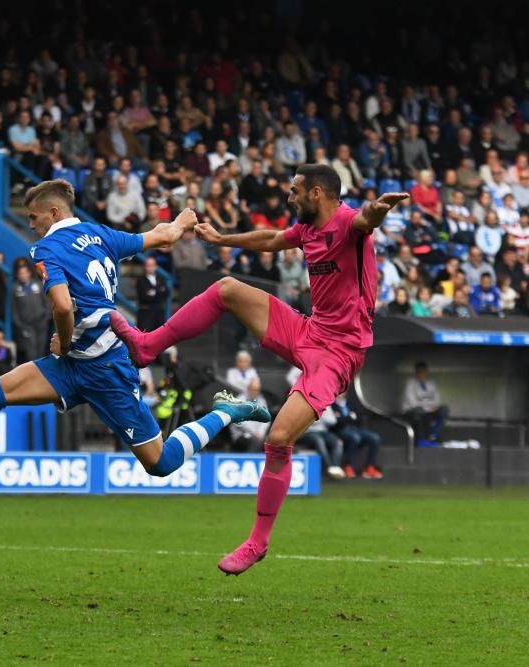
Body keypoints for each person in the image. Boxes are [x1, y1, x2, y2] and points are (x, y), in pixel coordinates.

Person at [0, 179, 268, 518]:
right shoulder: (101, 234)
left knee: (160, 462)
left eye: (33, 218)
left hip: (106, 367)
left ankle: (224, 412)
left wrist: (63, 344)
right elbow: (163, 237)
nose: (30, 225)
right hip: (77, 361)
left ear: (52, 212)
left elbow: (63, 305)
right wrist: (186, 217)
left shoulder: (46, 250)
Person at [108, 164, 410, 575]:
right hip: (309, 331)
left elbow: (365, 219)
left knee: (280, 435)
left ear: (317, 193)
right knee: (227, 289)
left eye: (295, 190)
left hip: (340, 353)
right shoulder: (307, 230)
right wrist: (222, 239)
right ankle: (148, 344)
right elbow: (271, 239)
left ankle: (258, 542)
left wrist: (379, 209)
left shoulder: (348, 222)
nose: (289, 197)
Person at [331, 393, 382, 479]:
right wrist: (349, 417)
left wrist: (344, 418)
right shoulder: (332, 405)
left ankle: (369, 467)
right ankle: (348, 466)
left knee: (375, 438)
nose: (341, 393)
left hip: (355, 429)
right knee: (354, 438)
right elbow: (336, 422)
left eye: (343, 391)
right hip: (340, 430)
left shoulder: (351, 404)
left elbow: (358, 418)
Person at [402, 361, 450, 447]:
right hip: (413, 412)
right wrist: (428, 406)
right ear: (416, 372)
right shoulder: (410, 383)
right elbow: (413, 403)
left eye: (423, 372)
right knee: (419, 411)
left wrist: (426, 404)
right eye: (419, 372)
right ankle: (422, 441)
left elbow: (437, 401)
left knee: (444, 410)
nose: (421, 374)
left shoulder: (431, 383)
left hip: (428, 411)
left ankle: (432, 436)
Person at [11, 262, 49, 364]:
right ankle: (34, 375)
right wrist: (21, 327)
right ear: (18, 275)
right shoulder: (15, 289)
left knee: (42, 351)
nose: (23, 275)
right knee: (31, 354)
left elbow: (46, 303)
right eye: (20, 273)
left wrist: (46, 318)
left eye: (25, 272)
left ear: (29, 273)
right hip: (27, 326)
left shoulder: (38, 284)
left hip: (41, 323)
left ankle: (42, 377)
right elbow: (14, 311)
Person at [136, 256, 169, 333]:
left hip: (159, 314)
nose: (151, 268)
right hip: (146, 315)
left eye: (152, 265)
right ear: (145, 267)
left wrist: (153, 293)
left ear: (156, 266)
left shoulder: (160, 279)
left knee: (160, 336)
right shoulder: (141, 280)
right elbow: (144, 296)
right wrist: (159, 292)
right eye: (148, 265)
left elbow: (166, 292)